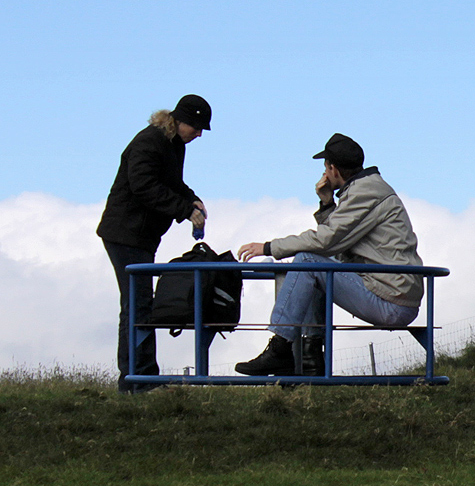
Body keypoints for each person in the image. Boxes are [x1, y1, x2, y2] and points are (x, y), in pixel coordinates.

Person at [234, 133, 423, 376]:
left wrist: (269, 247)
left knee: (306, 261)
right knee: (313, 264)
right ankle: (311, 359)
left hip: (391, 301)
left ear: (333, 168)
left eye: (325, 166)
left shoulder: (365, 192)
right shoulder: (366, 188)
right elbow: (338, 239)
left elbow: (326, 241)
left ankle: (280, 348)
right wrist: (326, 203)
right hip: (391, 291)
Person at [98, 95, 212, 393]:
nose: (199, 134)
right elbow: (144, 187)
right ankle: (138, 380)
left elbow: (172, 183)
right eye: (197, 127)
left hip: (142, 236)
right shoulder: (149, 142)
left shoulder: (173, 144)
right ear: (182, 120)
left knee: (139, 304)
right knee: (137, 305)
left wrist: (191, 199)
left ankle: (141, 378)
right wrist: (184, 209)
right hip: (125, 235)